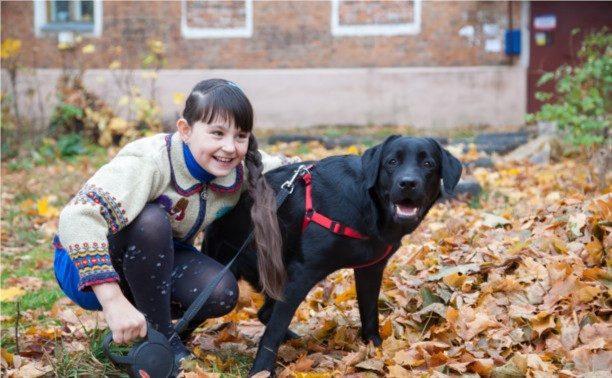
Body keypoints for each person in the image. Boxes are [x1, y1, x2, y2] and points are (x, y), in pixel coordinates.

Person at [53, 78, 295, 367]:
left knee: (220, 292)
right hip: (85, 267)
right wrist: (112, 300)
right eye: (217, 133)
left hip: (155, 262)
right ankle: (162, 338)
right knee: (152, 219)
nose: (229, 147)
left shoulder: (238, 168)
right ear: (186, 130)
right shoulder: (150, 161)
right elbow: (75, 217)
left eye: (240, 136)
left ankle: (145, 321)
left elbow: (292, 171)